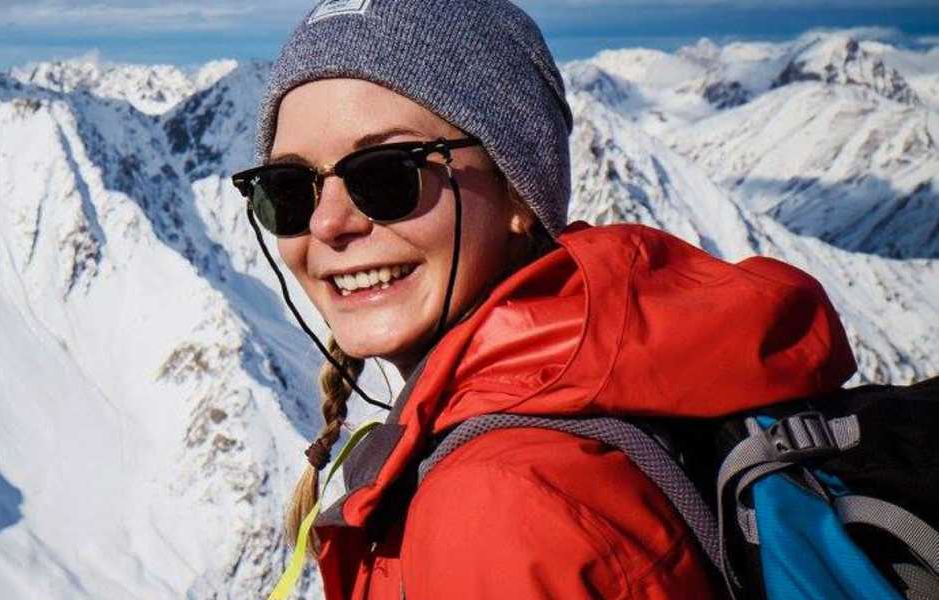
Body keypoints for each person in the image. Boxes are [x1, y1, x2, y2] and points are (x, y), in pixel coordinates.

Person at [230, 0, 856, 598]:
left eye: (388, 175)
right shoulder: (597, 382)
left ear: (519, 194)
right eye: (289, 189)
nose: (329, 224)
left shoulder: (500, 506)